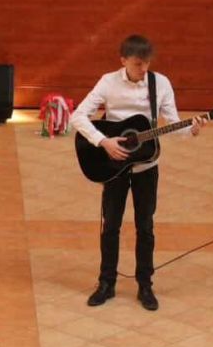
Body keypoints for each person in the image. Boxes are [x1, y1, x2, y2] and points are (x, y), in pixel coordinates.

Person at [69, 34, 205, 311]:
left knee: (145, 226)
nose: (144, 69)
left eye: (147, 64)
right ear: (124, 61)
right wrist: (103, 141)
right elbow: (77, 116)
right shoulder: (108, 82)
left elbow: (173, 123)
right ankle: (106, 282)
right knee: (111, 225)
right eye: (138, 64)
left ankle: (145, 284)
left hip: (146, 167)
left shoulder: (160, 83)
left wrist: (190, 129)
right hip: (113, 165)